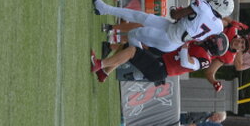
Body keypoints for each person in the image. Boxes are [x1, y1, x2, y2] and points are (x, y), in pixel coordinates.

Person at [92, 0, 235, 53]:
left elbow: (175, 15)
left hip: (169, 38)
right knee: (140, 16)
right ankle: (103, 8)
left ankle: (132, 58)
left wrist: (176, 10)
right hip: (172, 32)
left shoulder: (202, 7)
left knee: (134, 34)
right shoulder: (218, 27)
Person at [89, 33, 229, 84]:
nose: (212, 38)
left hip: (161, 70)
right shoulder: (199, 43)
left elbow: (186, 62)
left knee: (132, 51)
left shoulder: (206, 60)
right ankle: (104, 72)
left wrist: (185, 45)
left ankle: (99, 64)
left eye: (215, 40)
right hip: (160, 62)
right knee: (129, 44)